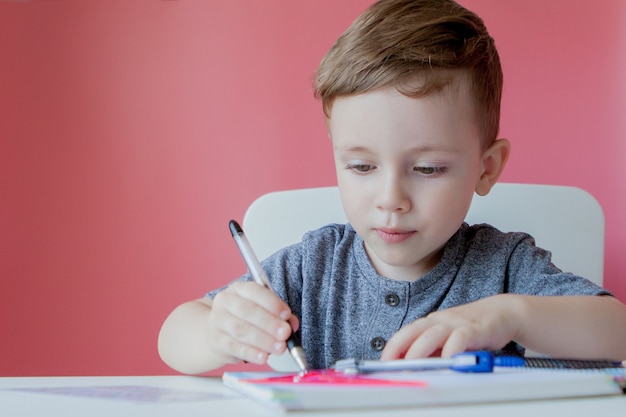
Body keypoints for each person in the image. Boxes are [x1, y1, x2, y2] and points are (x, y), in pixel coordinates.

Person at [158, 0, 626, 375]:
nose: (390, 200)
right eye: (361, 166)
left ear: (486, 168)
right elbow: (174, 336)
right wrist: (219, 331)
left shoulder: (504, 266)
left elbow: (618, 332)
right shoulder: (314, 267)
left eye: (426, 169)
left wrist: (511, 316)